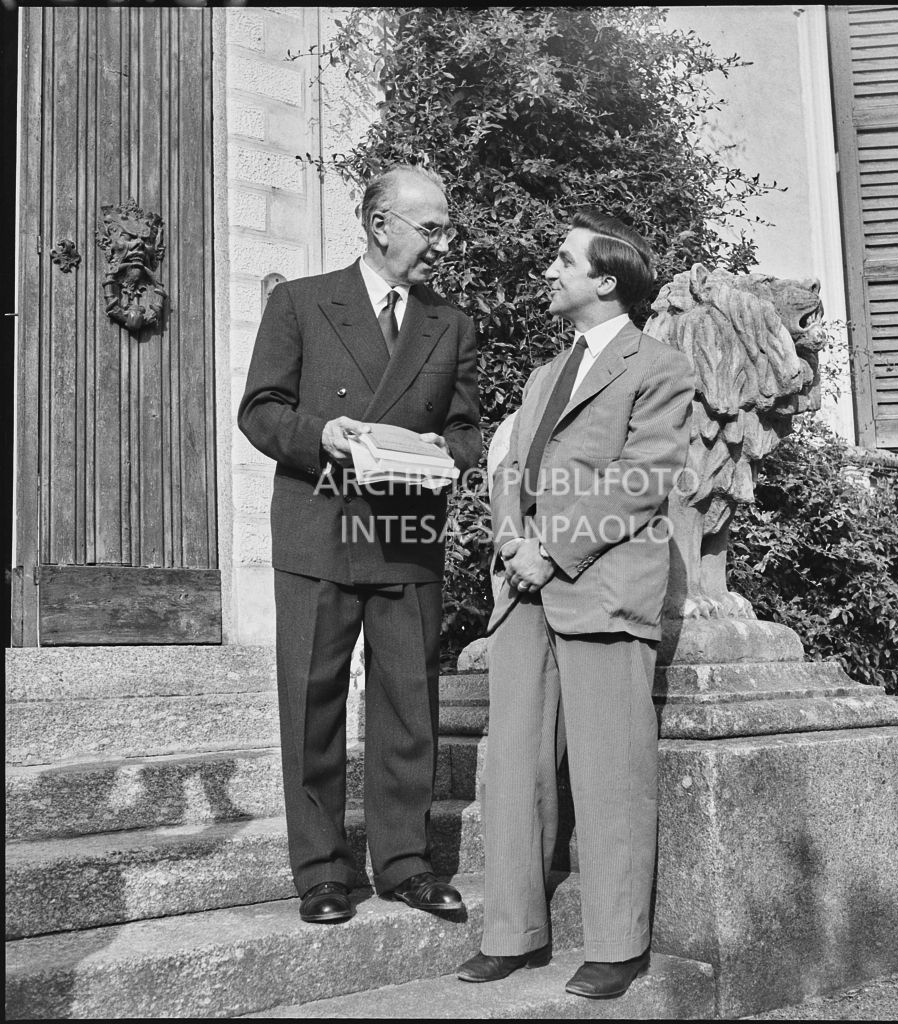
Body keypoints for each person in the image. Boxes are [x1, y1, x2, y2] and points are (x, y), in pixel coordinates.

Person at [456, 210, 695, 998]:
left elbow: (642, 477)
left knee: (610, 773)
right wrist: (509, 543)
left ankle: (617, 946)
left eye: (562, 261)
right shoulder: (540, 375)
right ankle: (514, 933)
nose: (548, 272)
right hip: (523, 594)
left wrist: (549, 549)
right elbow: (507, 469)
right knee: (514, 769)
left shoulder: (656, 365)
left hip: (600, 589)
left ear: (605, 280)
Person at [238, 165, 482, 924]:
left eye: (443, 227)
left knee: (409, 704)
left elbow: (467, 429)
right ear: (380, 224)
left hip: (406, 533)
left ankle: (405, 864)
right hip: (319, 525)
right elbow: (261, 410)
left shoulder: (453, 322)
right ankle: (321, 871)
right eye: (430, 227)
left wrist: (446, 454)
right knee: (311, 702)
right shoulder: (301, 302)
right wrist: (323, 434)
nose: (442, 243)